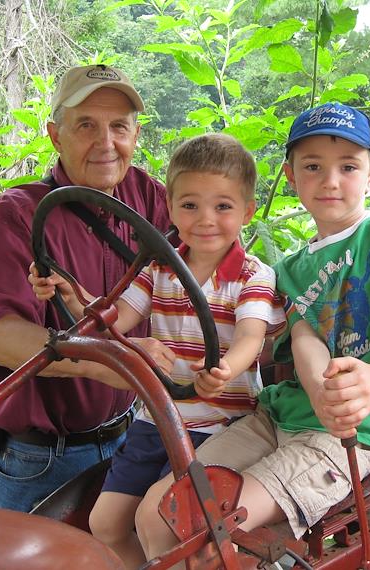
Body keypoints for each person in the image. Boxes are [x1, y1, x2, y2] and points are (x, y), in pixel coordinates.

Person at [133, 102, 370, 562]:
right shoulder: (289, 270)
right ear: (291, 176)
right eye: (313, 167)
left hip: (353, 432)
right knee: (156, 514)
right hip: (277, 418)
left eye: (348, 167)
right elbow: (306, 340)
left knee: (211, 532)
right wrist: (318, 389)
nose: (330, 180)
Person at [30, 133, 286, 567]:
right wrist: (70, 296)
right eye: (190, 205)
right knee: (106, 523)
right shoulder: (159, 270)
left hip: (218, 425)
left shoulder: (252, 276)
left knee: (166, 524)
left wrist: (225, 368)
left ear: (247, 211)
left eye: (223, 206)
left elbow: (250, 337)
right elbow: (112, 321)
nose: (205, 219)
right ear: (170, 207)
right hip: (157, 420)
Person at [0, 64, 173, 513]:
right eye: (86, 126)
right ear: (56, 136)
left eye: (119, 127)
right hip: (39, 460)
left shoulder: (151, 199)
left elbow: (209, 261)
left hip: (132, 444)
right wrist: (109, 362)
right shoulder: (17, 215)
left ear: (135, 135)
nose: (106, 143)